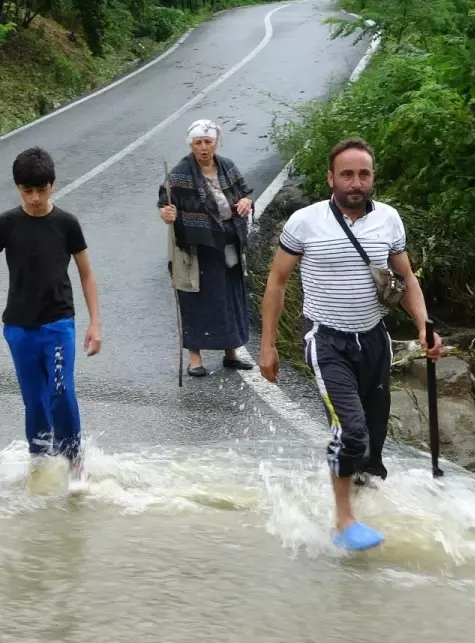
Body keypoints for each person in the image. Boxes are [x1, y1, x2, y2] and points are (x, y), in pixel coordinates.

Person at [258, 137, 443, 551]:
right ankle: (343, 521)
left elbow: (407, 277)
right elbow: (277, 282)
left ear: (372, 177)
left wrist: (424, 325)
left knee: (372, 449)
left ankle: (359, 509)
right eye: (347, 174)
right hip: (326, 341)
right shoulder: (305, 222)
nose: (355, 182)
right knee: (352, 431)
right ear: (331, 178)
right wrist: (267, 346)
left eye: (363, 174)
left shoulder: (390, 220)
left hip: (375, 341)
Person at [0, 147, 101, 485]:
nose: (34, 198)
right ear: (18, 189)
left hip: (58, 324)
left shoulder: (66, 224)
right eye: (27, 191)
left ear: (52, 185)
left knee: (61, 393)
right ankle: (41, 466)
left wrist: (95, 323)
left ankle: (75, 466)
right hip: (19, 328)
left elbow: (87, 274)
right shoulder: (6, 224)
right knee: (35, 402)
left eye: (40, 190)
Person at [157, 118, 255, 376]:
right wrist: (166, 213)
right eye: (198, 142)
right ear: (191, 145)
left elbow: (245, 192)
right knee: (195, 298)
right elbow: (165, 204)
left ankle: (231, 352)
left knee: (229, 297)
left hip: (228, 245)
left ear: (216, 142)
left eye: (208, 142)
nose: (203, 147)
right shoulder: (178, 174)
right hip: (196, 248)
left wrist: (246, 201)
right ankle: (195, 359)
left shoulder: (228, 168)